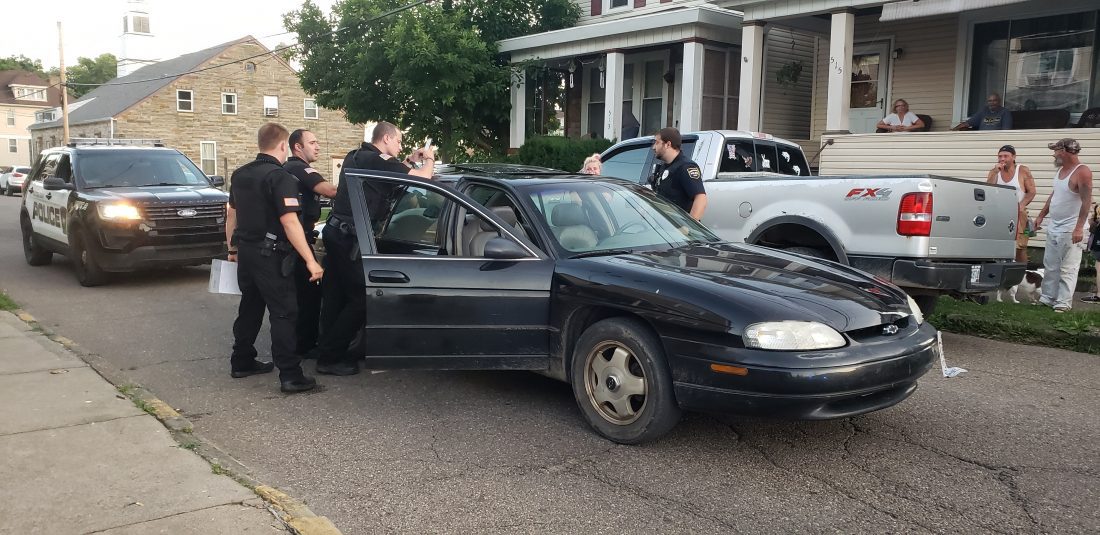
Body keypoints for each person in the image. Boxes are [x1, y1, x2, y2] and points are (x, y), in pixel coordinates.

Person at [316, 122, 436, 375]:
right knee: (362, 298)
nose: (400, 146)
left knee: (336, 296)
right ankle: (330, 357)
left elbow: (389, 173)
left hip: (336, 233)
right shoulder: (379, 160)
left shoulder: (356, 156)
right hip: (349, 238)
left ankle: (325, 350)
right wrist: (429, 159)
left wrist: (408, 160)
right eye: (399, 141)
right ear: (387, 138)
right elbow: (424, 178)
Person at [225, 123, 324, 393]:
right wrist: (310, 260)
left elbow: (231, 214)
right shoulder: (280, 177)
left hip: (246, 252)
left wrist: (232, 250)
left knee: (250, 307)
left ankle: (241, 361)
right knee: (284, 312)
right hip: (271, 255)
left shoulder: (240, 174)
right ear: (283, 145)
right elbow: (290, 222)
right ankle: (290, 375)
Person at [283, 129, 338, 359]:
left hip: (299, 238)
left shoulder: (294, 169)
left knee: (305, 294)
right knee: (308, 295)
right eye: (312, 143)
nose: (318, 147)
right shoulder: (298, 168)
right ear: (298, 147)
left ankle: (302, 343)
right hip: (297, 240)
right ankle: (303, 346)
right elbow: (330, 191)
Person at [1034, 138, 1093, 312]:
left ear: (1065, 152)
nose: (1054, 154)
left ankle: (1063, 303)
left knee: (1068, 268)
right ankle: (1048, 298)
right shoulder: (1060, 170)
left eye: (1056, 151)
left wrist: (1079, 228)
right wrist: (1041, 215)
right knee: (1051, 266)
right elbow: (1055, 195)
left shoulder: (1082, 172)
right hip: (1054, 226)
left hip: (1071, 228)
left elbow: (1086, 202)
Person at [985, 145, 1036, 263]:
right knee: (997, 246)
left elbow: (1031, 192)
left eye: (1006, 156)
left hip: (1018, 214)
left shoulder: (1022, 170)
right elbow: (988, 190)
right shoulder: (994, 171)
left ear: (1013, 157)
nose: (1002, 159)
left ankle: (1021, 271)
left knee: (1019, 248)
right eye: (1000, 156)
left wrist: (1021, 206)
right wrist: (995, 173)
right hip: (999, 214)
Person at [650, 127, 706, 220]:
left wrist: (688, 226)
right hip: (665, 224)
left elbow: (701, 199)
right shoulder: (664, 167)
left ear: (668, 144)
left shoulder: (686, 167)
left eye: (657, 142)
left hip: (679, 226)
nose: (653, 147)